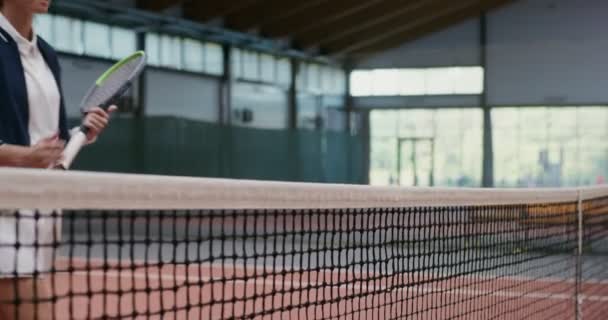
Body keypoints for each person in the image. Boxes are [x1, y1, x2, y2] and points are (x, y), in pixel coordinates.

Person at [0, 1, 116, 319]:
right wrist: (23, 156)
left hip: (42, 213)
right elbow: (29, 151)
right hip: (4, 210)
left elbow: (52, 140)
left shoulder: (46, 54)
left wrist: (82, 132)